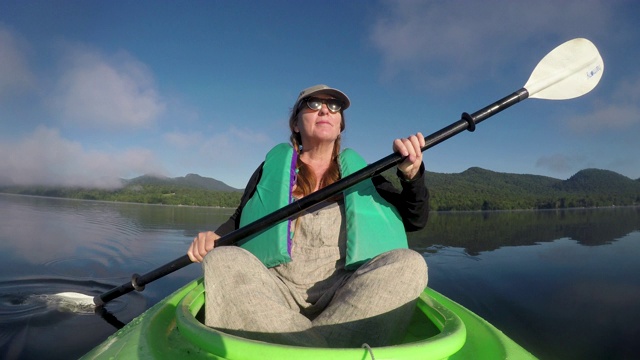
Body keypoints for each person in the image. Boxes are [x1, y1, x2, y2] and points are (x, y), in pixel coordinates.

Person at [187, 84, 429, 348]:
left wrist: (412, 174)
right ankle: (327, 349)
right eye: (313, 104)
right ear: (295, 124)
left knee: (410, 263)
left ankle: (291, 346)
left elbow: (415, 220)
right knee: (222, 258)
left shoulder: (364, 174)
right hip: (276, 286)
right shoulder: (271, 168)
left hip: (344, 290)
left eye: (334, 107)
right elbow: (241, 217)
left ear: (340, 126)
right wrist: (216, 237)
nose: (325, 110)